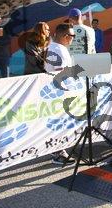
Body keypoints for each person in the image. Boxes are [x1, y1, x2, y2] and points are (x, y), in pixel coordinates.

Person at [44, 23, 76, 165]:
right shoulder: (58, 50)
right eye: (72, 35)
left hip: (55, 91)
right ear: (65, 36)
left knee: (58, 123)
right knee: (59, 123)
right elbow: (61, 73)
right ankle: (58, 153)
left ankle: (57, 150)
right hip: (59, 92)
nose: (73, 38)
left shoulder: (54, 47)